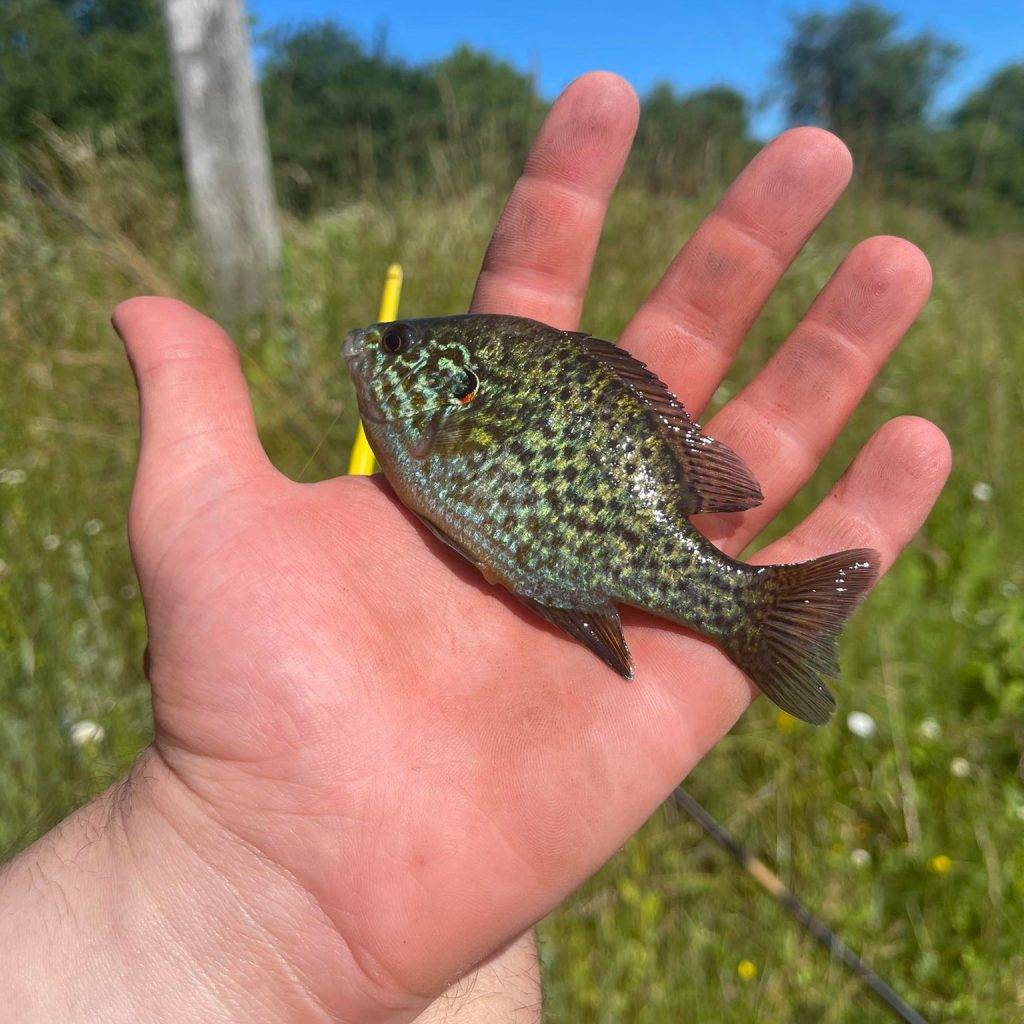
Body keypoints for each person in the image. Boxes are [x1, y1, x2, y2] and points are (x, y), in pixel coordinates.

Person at [0, 72, 949, 1023]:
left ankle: (753, 609)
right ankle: (748, 607)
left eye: (407, 349)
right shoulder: (447, 416)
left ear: (454, 393)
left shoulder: (463, 408)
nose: (375, 347)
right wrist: (220, 860)